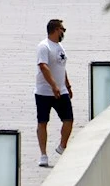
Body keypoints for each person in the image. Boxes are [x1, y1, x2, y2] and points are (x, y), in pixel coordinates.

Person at [35, 19, 73, 167]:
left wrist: (67, 86)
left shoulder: (59, 46)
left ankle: (62, 146)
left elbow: (61, 67)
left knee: (68, 120)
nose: (63, 32)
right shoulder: (44, 47)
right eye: (62, 29)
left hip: (61, 91)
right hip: (44, 92)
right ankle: (43, 154)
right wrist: (53, 86)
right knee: (43, 122)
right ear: (56, 29)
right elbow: (43, 67)